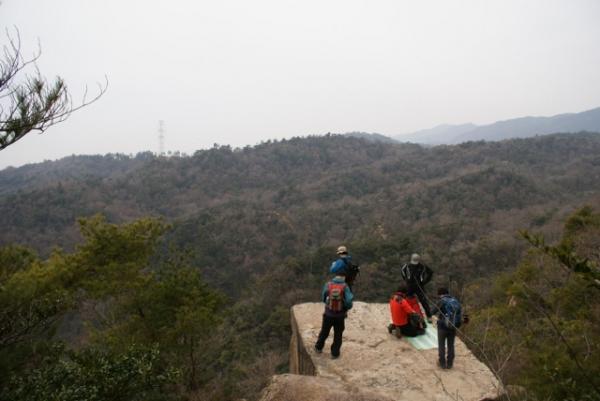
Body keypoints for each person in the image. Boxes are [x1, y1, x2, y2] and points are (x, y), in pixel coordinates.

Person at [314, 273, 354, 359]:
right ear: (343, 278)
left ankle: (318, 347)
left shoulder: (328, 285)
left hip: (328, 314)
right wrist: (345, 307)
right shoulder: (345, 287)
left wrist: (329, 304)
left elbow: (324, 298)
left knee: (324, 332)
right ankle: (335, 353)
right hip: (340, 316)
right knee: (338, 334)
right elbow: (349, 302)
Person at [434, 287, 463, 369]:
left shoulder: (441, 301)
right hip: (453, 326)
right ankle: (450, 363)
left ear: (440, 294)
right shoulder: (455, 301)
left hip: (442, 326)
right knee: (451, 345)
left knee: (441, 345)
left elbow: (432, 312)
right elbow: (459, 314)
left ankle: (442, 363)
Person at [400, 253, 433, 323]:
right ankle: (403, 314)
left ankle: (429, 316)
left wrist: (425, 281)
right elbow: (402, 271)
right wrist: (406, 279)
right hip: (410, 286)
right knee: (405, 300)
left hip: (419, 286)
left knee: (424, 301)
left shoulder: (423, 266)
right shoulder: (407, 266)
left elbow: (430, 272)